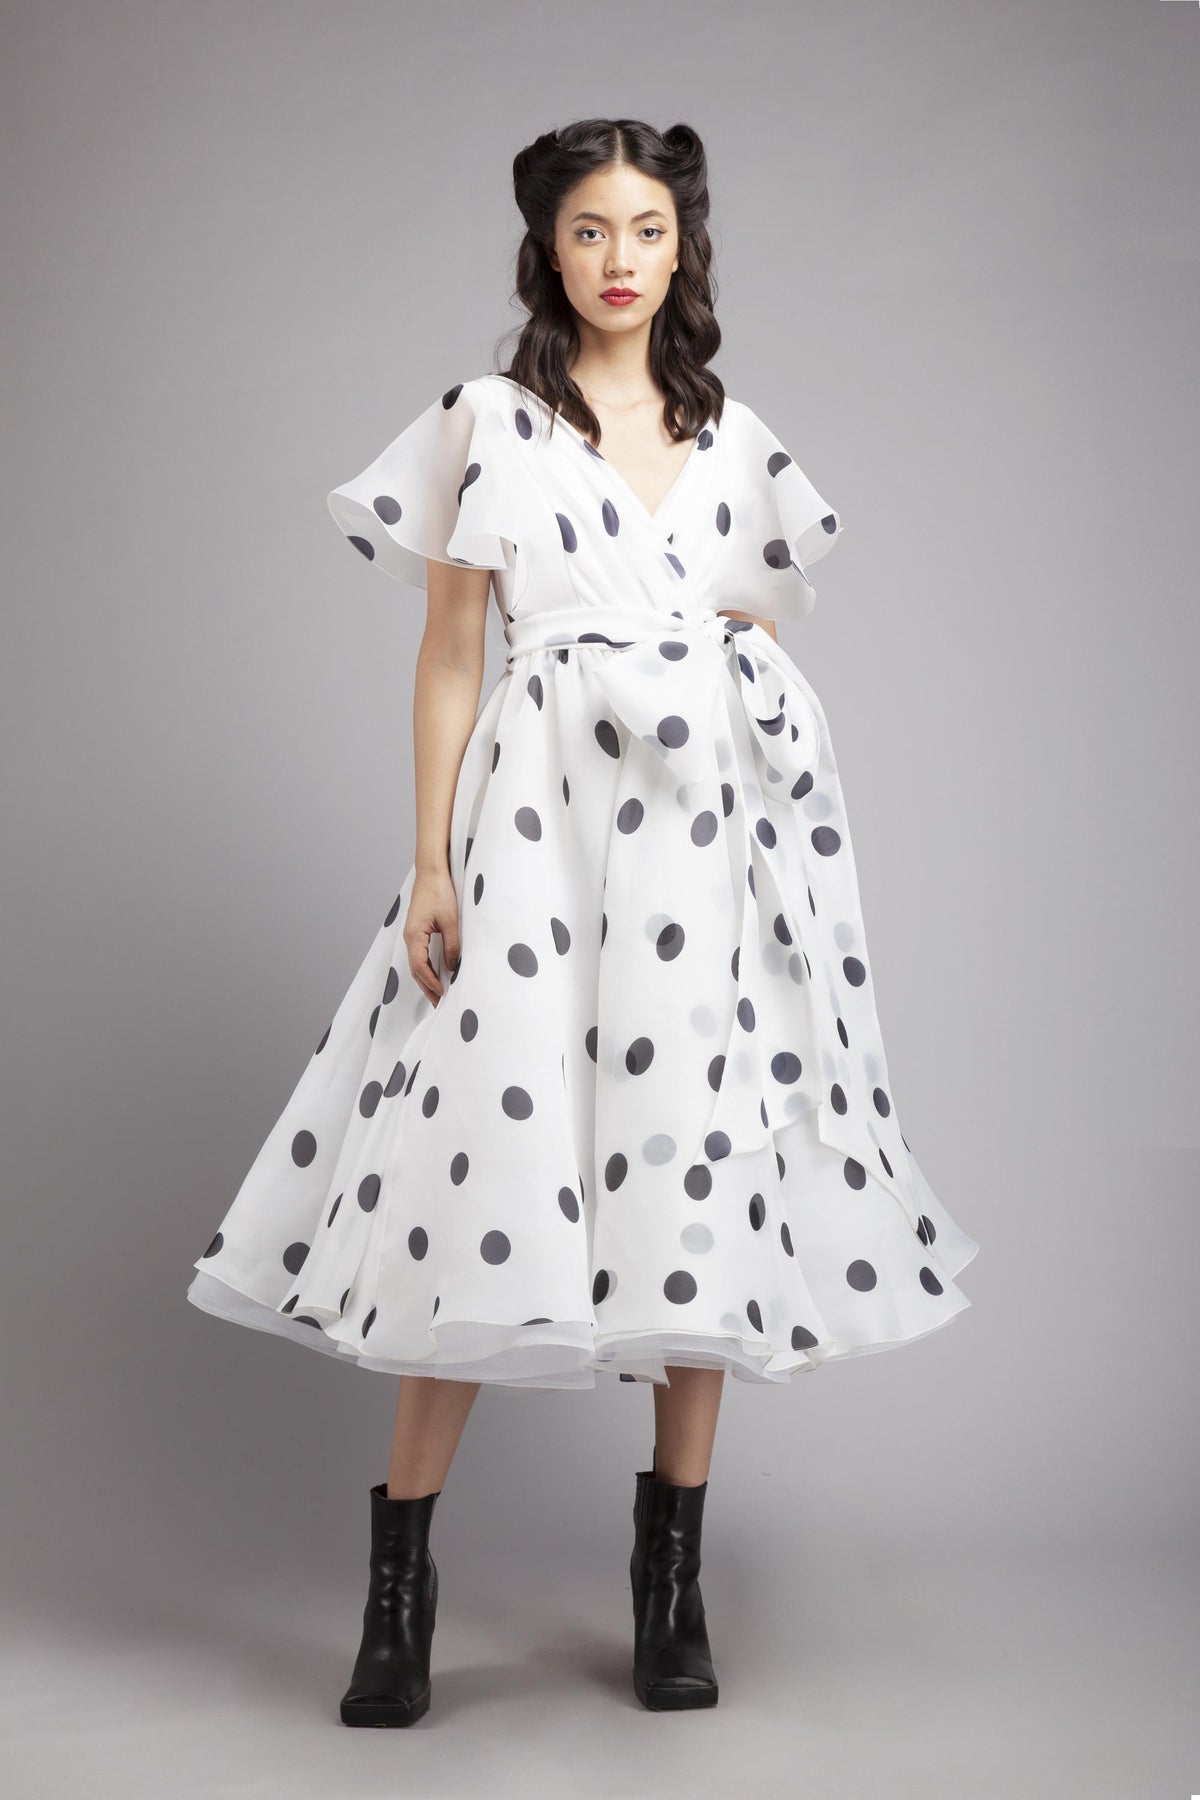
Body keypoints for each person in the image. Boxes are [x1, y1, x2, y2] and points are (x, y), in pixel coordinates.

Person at [186, 116, 979, 1724]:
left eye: (649, 230)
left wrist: (726, 681)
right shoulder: (486, 420)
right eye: (591, 231)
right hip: (538, 843)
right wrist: (432, 862)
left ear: (686, 250)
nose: (622, 259)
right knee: (485, 1165)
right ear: (546, 250)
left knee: (698, 1179)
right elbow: (451, 656)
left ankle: (669, 1588)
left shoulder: (734, 437)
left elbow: (750, 629)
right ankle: (399, 1599)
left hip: (706, 855)